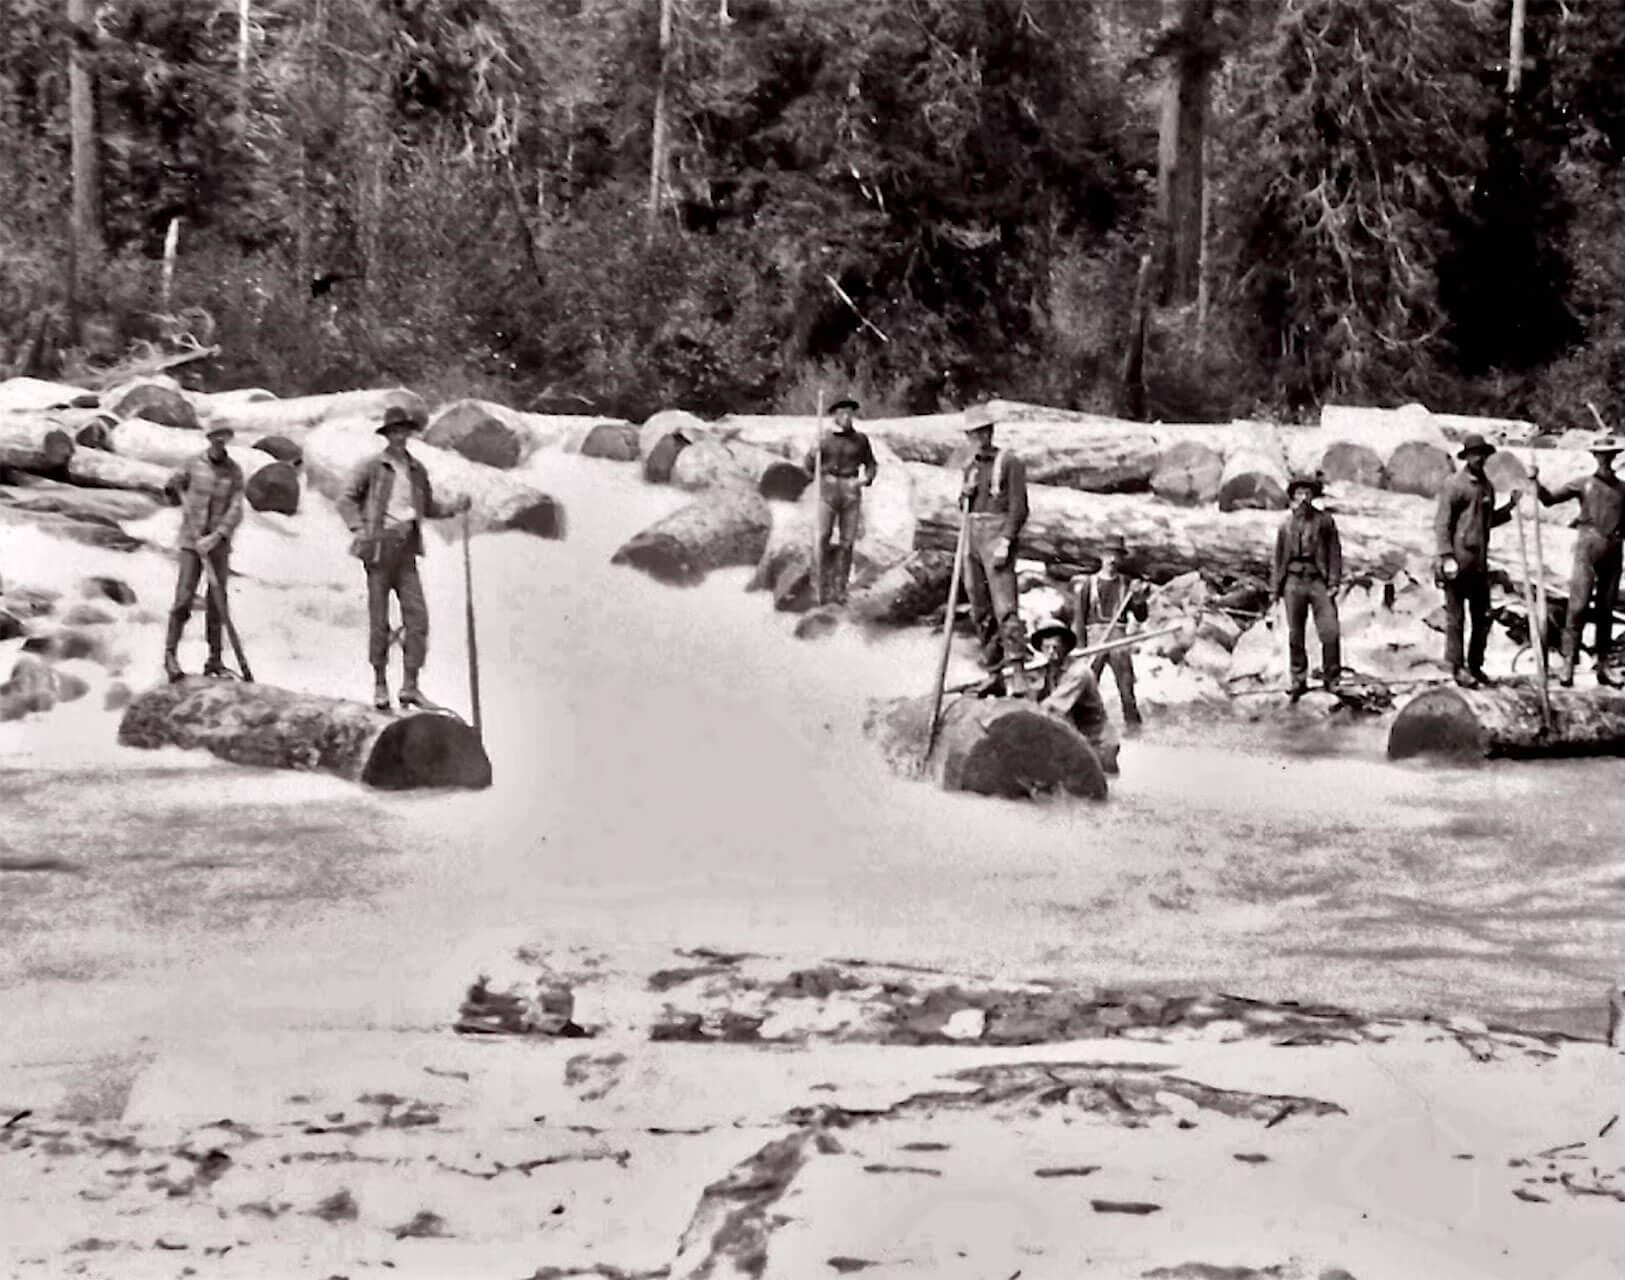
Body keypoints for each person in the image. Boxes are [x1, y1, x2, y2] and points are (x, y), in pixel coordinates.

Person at [339, 404, 472, 711]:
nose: (400, 436)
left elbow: (428, 506)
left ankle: (410, 686)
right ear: (387, 435)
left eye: (404, 431)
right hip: (379, 548)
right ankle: (380, 684)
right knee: (379, 621)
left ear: (409, 434)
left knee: (417, 618)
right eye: (394, 431)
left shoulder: (416, 469)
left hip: (407, 548)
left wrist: (455, 506)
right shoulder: (373, 466)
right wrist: (359, 527)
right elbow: (346, 498)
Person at [1535, 433, 1625, 687]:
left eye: (1609, 457)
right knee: (1578, 607)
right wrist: (1536, 483)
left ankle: (1604, 664)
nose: (1605, 461)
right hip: (1587, 549)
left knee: (1605, 611)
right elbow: (1549, 500)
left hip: (1614, 551)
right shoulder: (1582, 484)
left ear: (1614, 458)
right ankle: (1568, 663)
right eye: (1601, 456)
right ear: (1595, 457)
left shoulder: (1622, 489)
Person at [1434, 433, 1519, 688]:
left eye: (1482, 454)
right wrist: (1446, 556)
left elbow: (1486, 521)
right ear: (1467, 456)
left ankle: (1476, 665)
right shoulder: (1454, 485)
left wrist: (1509, 508)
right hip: (1458, 562)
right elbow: (1442, 523)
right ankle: (1457, 667)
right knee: (1456, 619)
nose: (1479, 459)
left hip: (1479, 564)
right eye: (1474, 454)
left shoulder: (1486, 486)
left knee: (1482, 617)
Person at [162, 423, 245, 682]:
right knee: (183, 598)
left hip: (217, 545)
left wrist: (217, 536)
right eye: (215, 437)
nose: (219, 442)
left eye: (224, 437)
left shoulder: (234, 472)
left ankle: (215, 659)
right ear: (209, 439)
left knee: (217, 602)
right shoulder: (192, 464)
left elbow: (236, 509)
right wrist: (171, 487)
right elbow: (174, 497)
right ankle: (170, 656)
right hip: (191, 542)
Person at [959, 404, 1031, 694]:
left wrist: (1006, 541)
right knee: (979, 607)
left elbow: (1020, 508)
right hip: (972, 536)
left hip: (997, 537)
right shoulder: (970, 467)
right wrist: (964, 493)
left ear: (991, 432)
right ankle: (994, 670)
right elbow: (963, 505)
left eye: (983, 432)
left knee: (1005, 608)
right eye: (974, 434)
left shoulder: (1010, 462)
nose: (980, 438)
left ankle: (1017, 670)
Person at [1271, 474, 1344, 698]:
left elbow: (1334, 553)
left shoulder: (1325, 522)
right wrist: (1276, 588)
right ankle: (1298, 679)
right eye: (1299, 494)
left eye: (1307, 493)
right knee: (1295, 634)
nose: (1303, 498)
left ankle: (1332, 679)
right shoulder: (1286, 526)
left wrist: (1333, 582)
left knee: (1329, 630)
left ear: (1313, 496)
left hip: (1317, 580)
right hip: (1293, 582)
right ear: (1293, 497)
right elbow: (1278, 558)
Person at [1067, 533, 1149, 728]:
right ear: (1101, 556)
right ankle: (1079, 726)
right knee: (1085, 685)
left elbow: (1141, 617)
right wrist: (1079, 648)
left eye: (1116, 555)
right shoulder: (1088, 584)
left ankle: (1134, 728)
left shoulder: (1127, 584)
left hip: (1119, 640)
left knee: (1126, 688)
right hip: (1095, 641)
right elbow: (1079, 619)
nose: (1112, 560)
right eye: (1108, 554)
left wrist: (1138, 599)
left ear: (1121, 559)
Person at [802, 395, 877, 604]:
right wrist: (812, 452)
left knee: (847, 541)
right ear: (835, 415)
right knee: (822, 535)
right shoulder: (824, 438)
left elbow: (871, 464)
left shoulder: (860, 440)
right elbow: (808, 467)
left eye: (849, 412)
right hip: (827, 488)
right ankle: (818, 586)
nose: (846, 416)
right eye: (842, 412)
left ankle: (840, 589)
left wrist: (866, 479)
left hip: (851, 490)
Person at [1030, 618, 1120, 774]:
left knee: (1102, 790)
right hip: (1079, 740)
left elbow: (1051, 708)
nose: (1052, 652)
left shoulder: (1078, 673)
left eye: (1056, 647)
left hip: (1099, 743)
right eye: (1047, 648)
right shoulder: (1049, 671)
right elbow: (1032, 696)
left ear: (1065, 648)